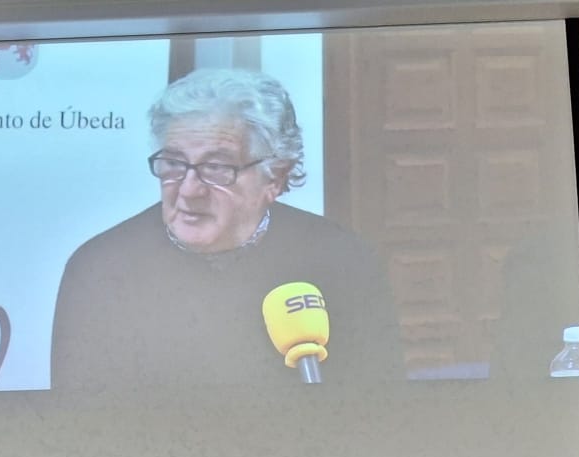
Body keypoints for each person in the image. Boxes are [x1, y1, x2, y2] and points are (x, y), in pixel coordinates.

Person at [50, 68, 403, 391]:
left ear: (276, 178)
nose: (189, 189)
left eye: (216, 168)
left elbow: (378, 408)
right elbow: (78, 425)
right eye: (173, 164)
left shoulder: (344, 261)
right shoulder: (100, 270)